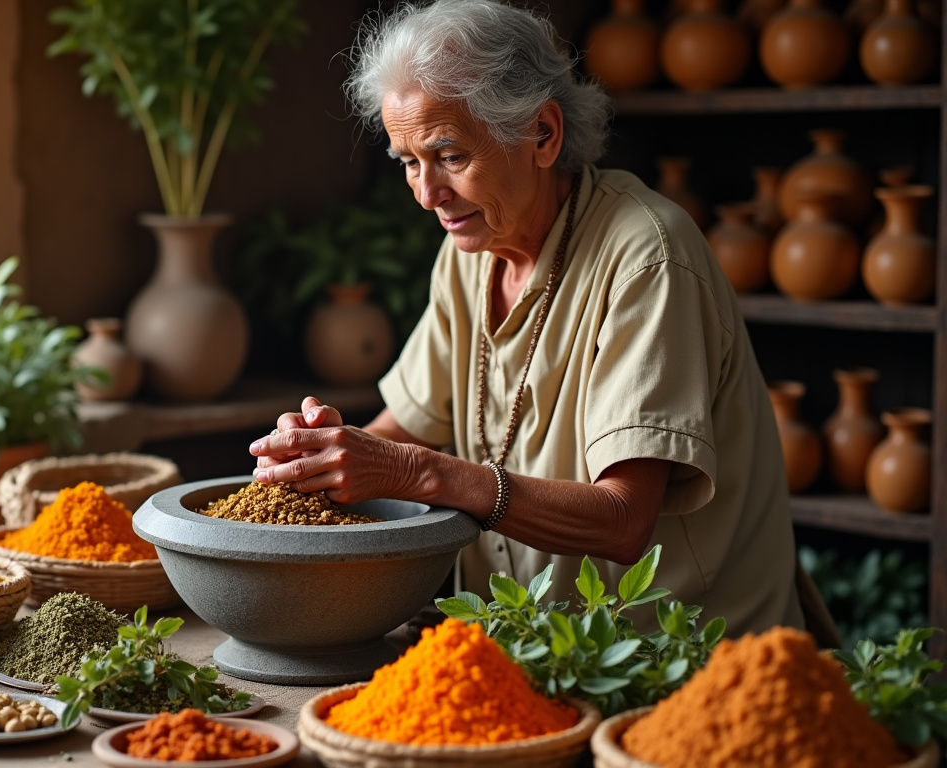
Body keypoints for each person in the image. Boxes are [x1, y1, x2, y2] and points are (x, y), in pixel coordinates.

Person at [248, 0, 805, 636]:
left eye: (450, 156)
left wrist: (414, 473)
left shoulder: (647, 257)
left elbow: (622, 521)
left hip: (675, 663)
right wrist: (324, 453)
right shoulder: (469, 250)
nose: (427, 194)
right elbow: (403, 433)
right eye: (408, 161)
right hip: (527, 647)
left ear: (542, 135)